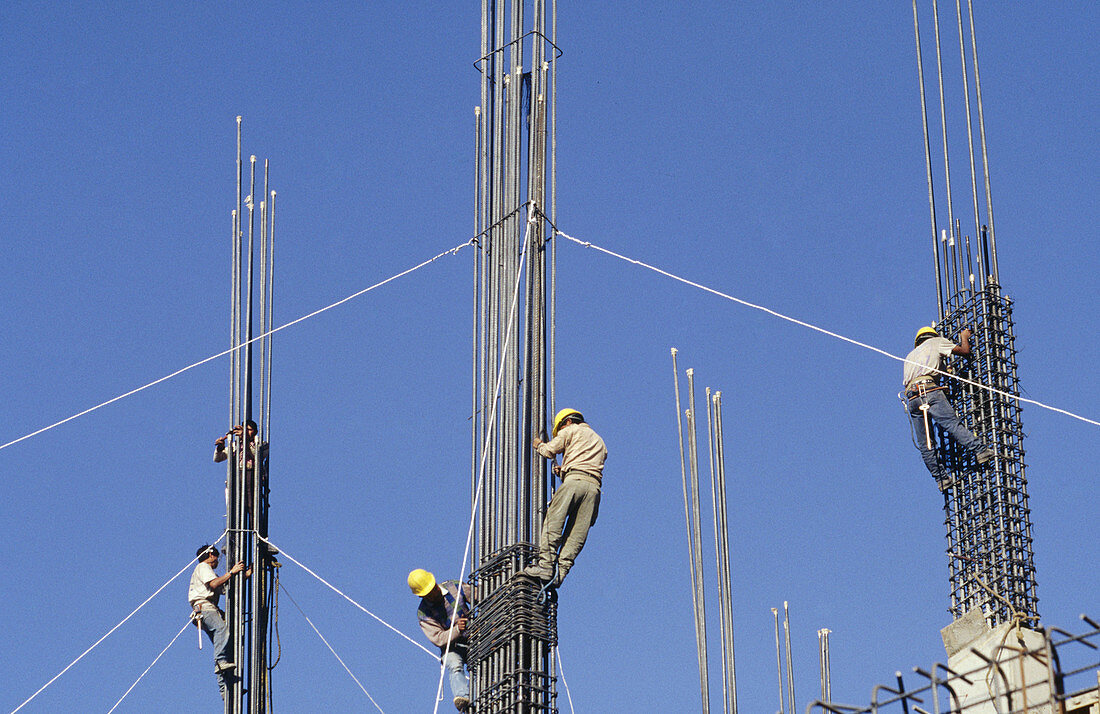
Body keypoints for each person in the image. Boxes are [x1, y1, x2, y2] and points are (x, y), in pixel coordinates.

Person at [521, 408, 607, 587]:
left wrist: (539, 444)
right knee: (576, 535)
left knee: (554, 522)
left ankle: (545, 566)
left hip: (574, 483)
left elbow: (550, 451)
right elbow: (585, 463)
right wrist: (564, 471)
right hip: (593, 490)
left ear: (567, 422)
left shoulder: (570, 430)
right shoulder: (599, 441)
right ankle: (560, 574)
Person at [904, 326, 994, 490]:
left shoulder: (910, 356)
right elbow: (965, 351)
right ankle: (981, 451)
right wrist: (964, 336)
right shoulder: (936, 342)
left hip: (912, 398)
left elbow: (928, 370)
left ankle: (942, 479)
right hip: (929, 391)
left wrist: (945, 370)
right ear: (932, 336)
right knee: (952, 425)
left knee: (926, 444)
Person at [188, 544, 251, 700]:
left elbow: (226, 587)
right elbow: (215, 584)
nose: (217, 561)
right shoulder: (203, 567)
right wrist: (231, 571)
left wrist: (244, 575)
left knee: (223, 642)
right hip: (205, 608)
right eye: (216, 557)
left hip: (207, 610)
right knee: (223, 631)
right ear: (210, 554)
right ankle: (222, 663)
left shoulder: (208, 572)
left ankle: (225, 688)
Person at [408, 569, 473, 713]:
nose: (434, 593)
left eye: (433, 589)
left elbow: (480, 597)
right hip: (452, 647)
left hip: (474, 637)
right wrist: (457, 630)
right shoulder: (424, 614)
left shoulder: (454, 587)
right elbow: (438, 638)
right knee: (454, 664)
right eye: (429, 594)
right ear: (422, 596)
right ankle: (462, 697)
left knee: (484, 662)